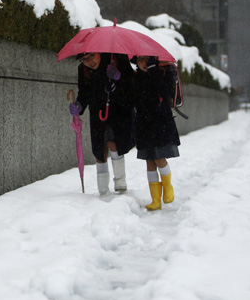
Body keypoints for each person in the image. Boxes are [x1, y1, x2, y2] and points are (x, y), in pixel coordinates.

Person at [69, 52, 135, 195]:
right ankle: (103, 189)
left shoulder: (116, 59)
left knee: (114, 143)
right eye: (84, 60)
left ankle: (120, 182)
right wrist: (79, 106)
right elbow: (84, 92)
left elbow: (132, 85)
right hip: (97, 112)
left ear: (98, 51)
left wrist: (118, 78)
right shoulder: (84, 70)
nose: (89, 62)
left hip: (118, 111)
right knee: (99, 149)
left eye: (91, 56)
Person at [132, 56, 180, 210]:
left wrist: (154, 72)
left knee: (160, 157)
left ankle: (168, 188)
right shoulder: (136, 77)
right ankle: (155, 200)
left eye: (146, 60)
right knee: (149, 161)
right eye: (139, 60)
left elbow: (165, 92)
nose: (143, 63)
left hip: (160, 123)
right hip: (144, 124)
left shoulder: (163, 73)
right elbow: (134, 99)